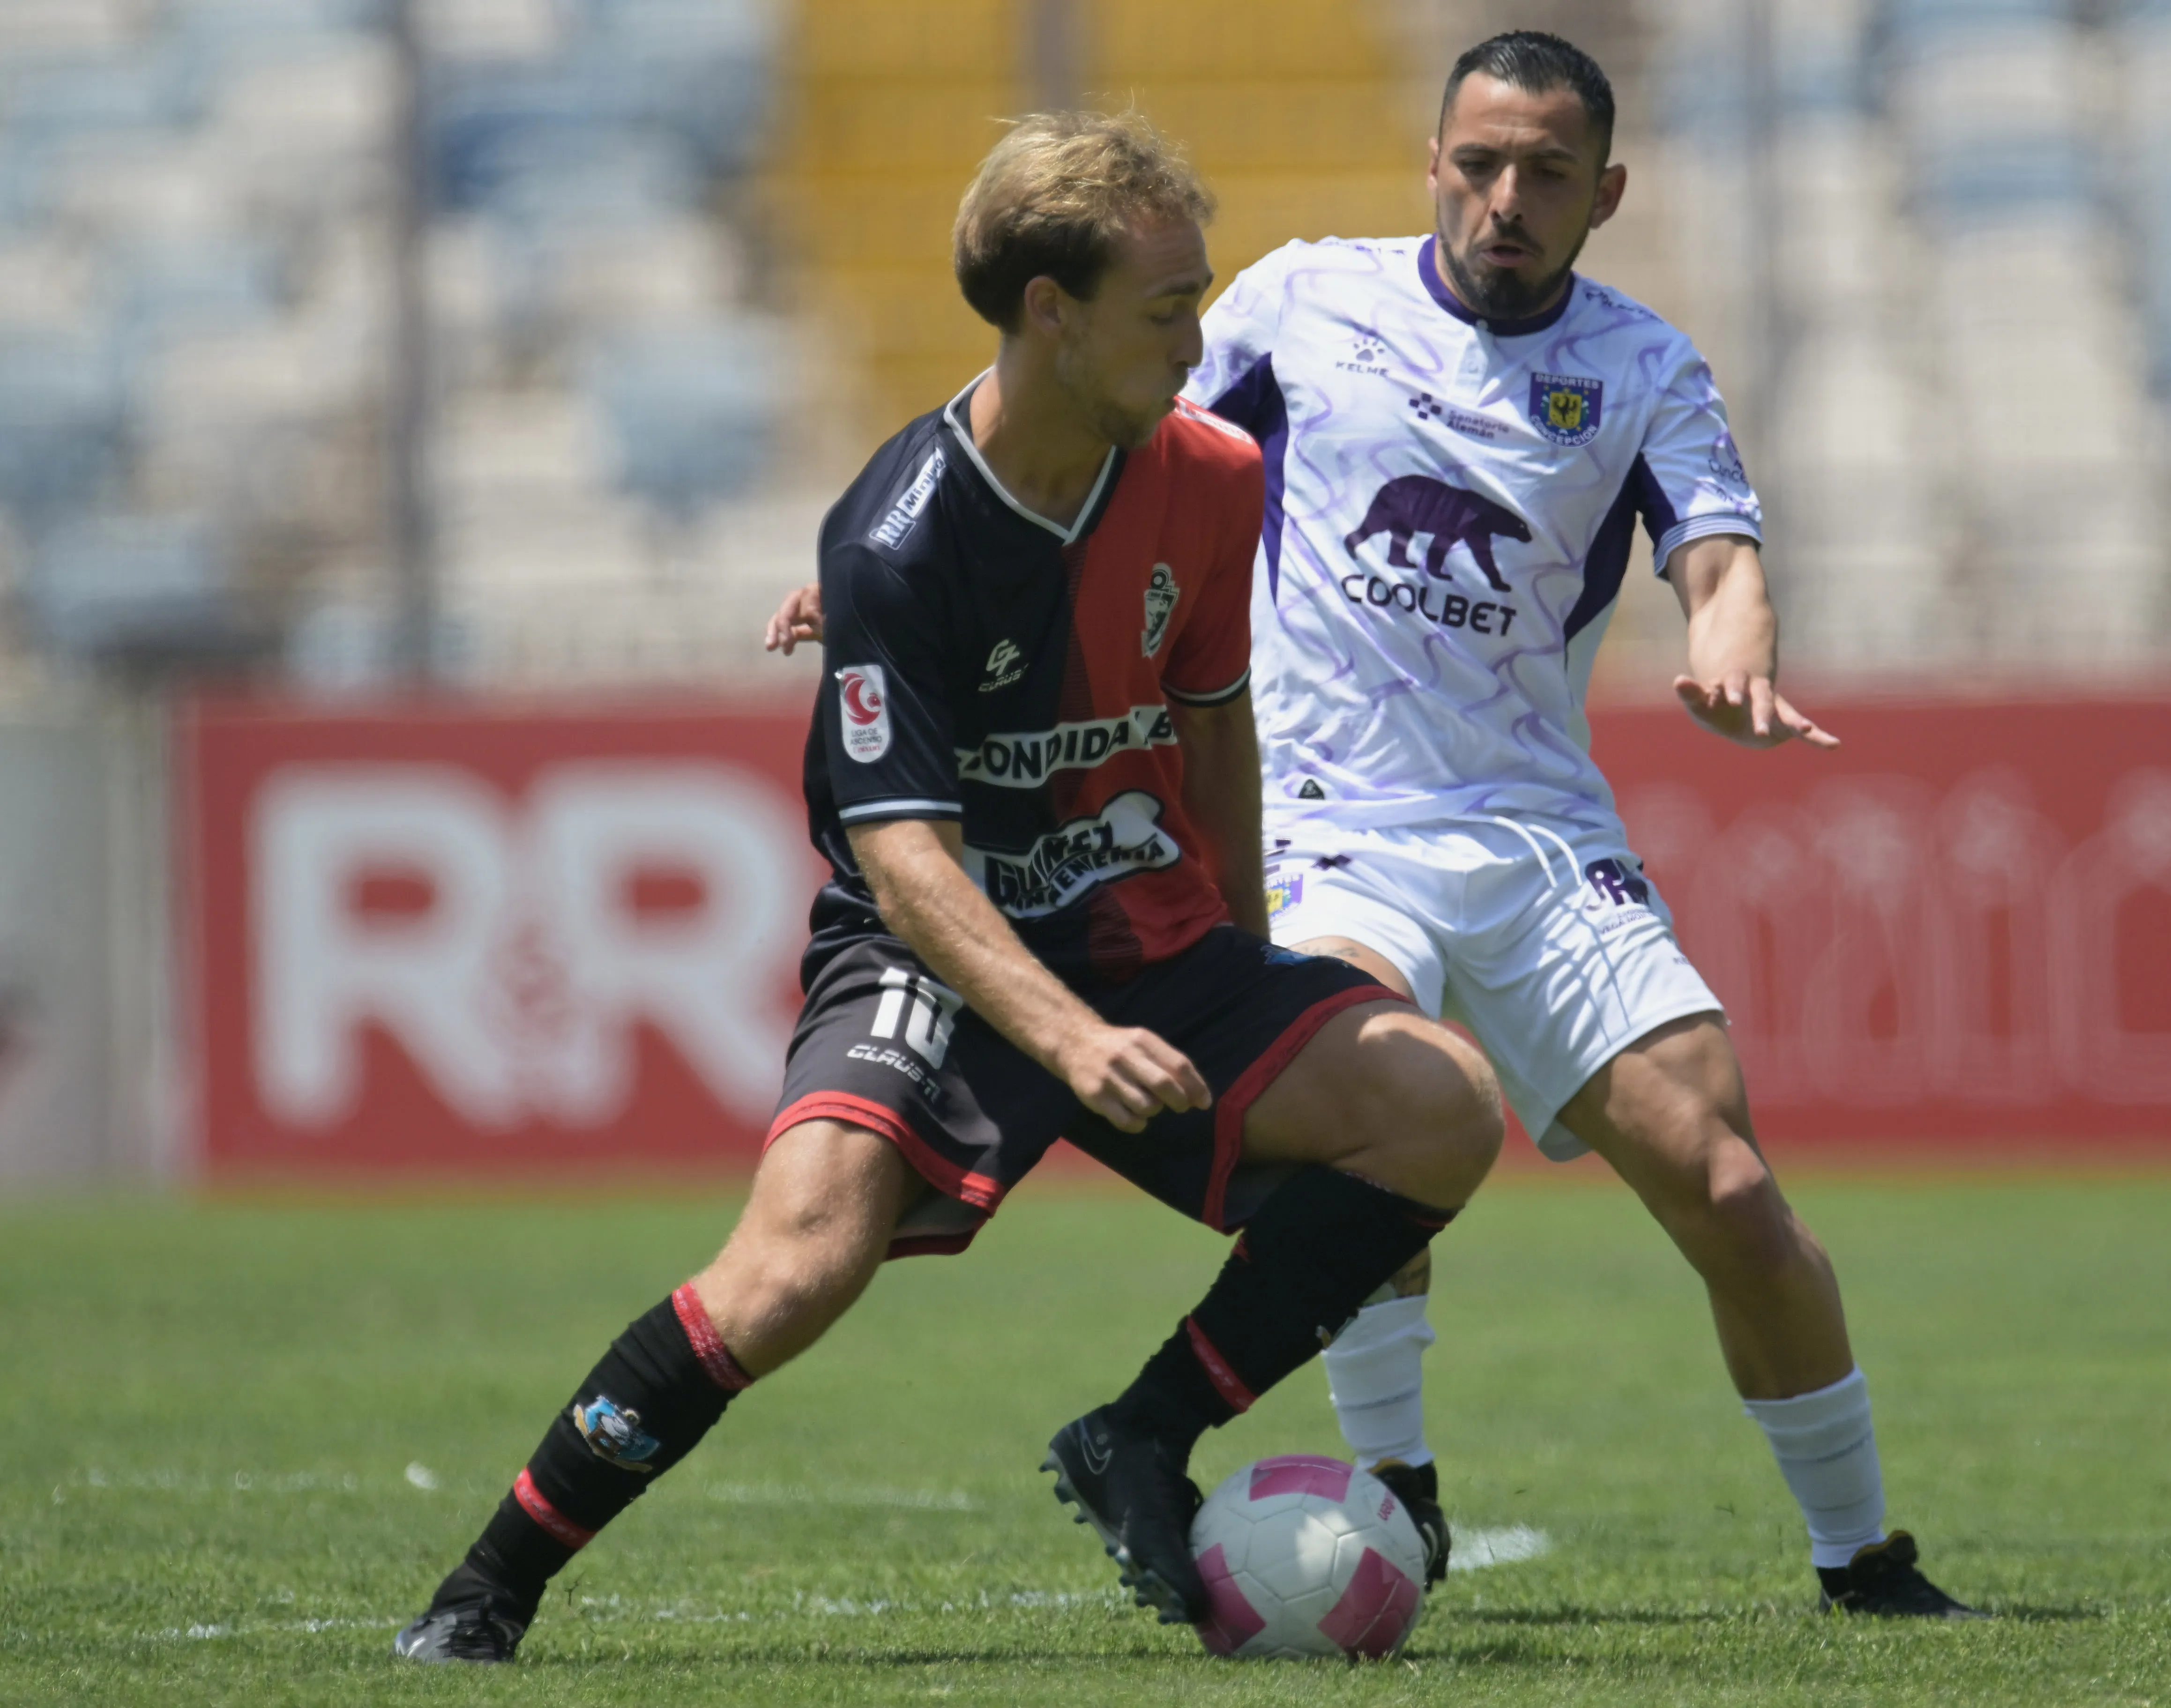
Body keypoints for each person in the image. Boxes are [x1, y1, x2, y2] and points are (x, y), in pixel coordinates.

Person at [769, 35, 1977, 1619]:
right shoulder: (1297, 301)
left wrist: (1732, 634)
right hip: (1326, 813)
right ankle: (1400, 1485)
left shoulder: (1644, 368)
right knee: (1368, 1100)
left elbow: (1717, 546)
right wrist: (890, 577)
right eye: (1476, 162)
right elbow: (1080, 427)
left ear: (1604, 192)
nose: (1504, 199)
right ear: (1431, 163)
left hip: (1538, 829)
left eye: (1547, 172)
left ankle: (1862, 1559)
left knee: (1731, 1189)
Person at [395, 110, 1505, 1665]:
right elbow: (903, 859)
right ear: (1050, 313)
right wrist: (1067, 1040)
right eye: (1166, 307)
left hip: (1149, 935)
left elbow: (1213, 729)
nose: (1199, 341)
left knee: (1438, 1105)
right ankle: (486, 1587)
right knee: (797, 1265)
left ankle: (1138, 1432)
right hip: (936, 944)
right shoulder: (897, 540)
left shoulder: (1207, 474)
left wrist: (1250, 971)